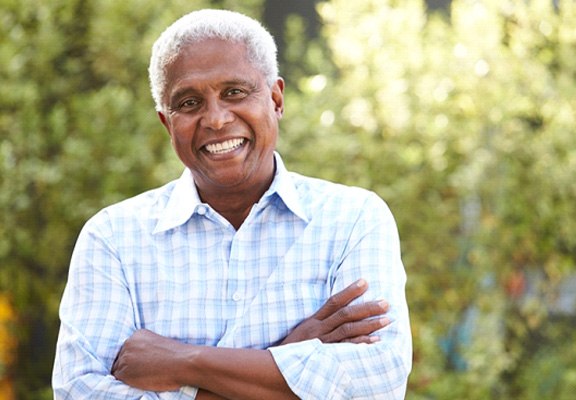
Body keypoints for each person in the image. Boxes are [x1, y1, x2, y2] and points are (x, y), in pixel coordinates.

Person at [52, 9, 412, 399]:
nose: (217, 119)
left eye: (234, 93)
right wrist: (291, 363)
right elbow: (79, 392)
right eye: (189, 103)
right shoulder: (113, 239)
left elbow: (379, 381)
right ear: (166, 123)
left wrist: (182, 362)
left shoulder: (353, 219)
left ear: (276, 99)